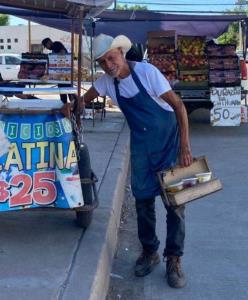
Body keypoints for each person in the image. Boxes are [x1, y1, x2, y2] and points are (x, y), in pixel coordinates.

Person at [80, 34, 193, 289]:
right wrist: (71, 107)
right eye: (102, 62)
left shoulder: (147, 73)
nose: (108, 65)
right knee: (143, 203)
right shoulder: (107, 83)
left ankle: (174, 259)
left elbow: (179, 107)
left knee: (175, 205)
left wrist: (185, 147)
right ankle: (150, 252)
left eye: (111, 57)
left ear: (121, 52)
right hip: (142, 149)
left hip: (170, 145)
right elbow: (82, 102)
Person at [41, 38, 69, 103]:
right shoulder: (54, 48)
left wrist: (53, 57)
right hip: (60, 73)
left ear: (49, 42)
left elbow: (63, 52)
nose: (47, 48)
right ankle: (65, 106)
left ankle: (73, 107)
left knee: (68, 91)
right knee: (63, 92)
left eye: (46, 46)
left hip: (65, 72)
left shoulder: (56, 44)